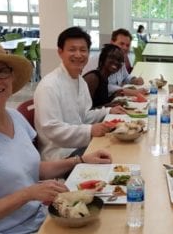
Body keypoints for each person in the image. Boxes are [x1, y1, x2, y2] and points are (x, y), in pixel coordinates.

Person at [0, 40, 113, 234]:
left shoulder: (14, 117)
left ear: (11, 77)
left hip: (38, 220)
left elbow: (32, 166)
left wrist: (81, 160)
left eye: (2, 71)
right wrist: (27, 194)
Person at [34, 26, 126, 161]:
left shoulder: (79, 81)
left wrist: (108, 111)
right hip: (60, 155)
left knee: (119, 144)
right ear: (60, 52)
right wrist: (89, 131)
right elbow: (52, 130)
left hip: (79, 145)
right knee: (115, 154)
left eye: (83, 50)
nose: (78, 55)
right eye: (72, 50)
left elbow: (84, 116)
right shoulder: (49, 86)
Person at [83, 44, 125, 108]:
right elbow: (84, 112)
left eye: (119, 60)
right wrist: (108, 106)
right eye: (112, 57)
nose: (116, 62)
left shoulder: (105, 78)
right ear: (103, 58)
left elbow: (99, 103)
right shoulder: (93, 78)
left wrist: (113, 96)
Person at [108, 28, 146, 97]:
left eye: (127, 45)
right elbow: (106, 86)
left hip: (116, 98)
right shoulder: (102, 59)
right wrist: (132, 92)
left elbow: (125, 76)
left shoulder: (121, 59)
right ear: (111, 43)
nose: (125, 48)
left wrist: (134, 80)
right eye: (121, 44)